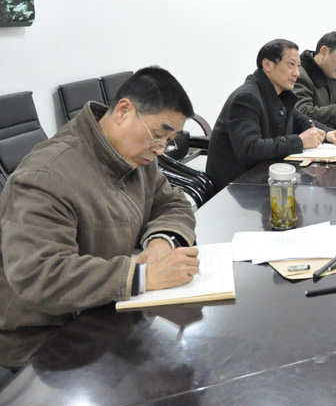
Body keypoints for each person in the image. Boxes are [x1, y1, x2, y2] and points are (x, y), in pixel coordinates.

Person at [0, 67, 201, 370]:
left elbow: (172, 204)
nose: (160, 150)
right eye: (158, 136)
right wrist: (141, 276)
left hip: (106, 308)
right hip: (46, 339)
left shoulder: (137, 155)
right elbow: (40, 273)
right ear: (123, 111)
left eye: (167, 141)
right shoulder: (46, 175)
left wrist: (161, 241)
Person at [206, 39, 336, 192]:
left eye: (298, 66)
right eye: (291, 64)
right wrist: (299, 141)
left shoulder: (278, 93)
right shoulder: (246, 98)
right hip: (237, 188)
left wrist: (328, 133)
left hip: (264, 179)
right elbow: (250, 149)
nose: (296, 73)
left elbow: (301, 121)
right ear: (267, 65)